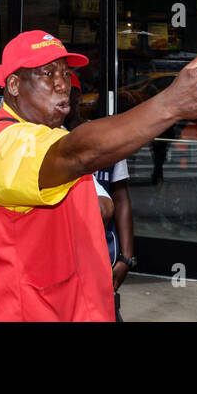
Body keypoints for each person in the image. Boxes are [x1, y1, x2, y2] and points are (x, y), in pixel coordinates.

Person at [0, 31, 197, 322]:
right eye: (47, 73)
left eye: (66, 74)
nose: (61, 84)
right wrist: (169, 105)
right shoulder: (8, 143)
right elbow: (78, 153)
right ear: (14, 84)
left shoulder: (45, 135)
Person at [66, 73, 134, 319]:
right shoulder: (46, 139)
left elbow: (121, 196)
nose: (63, 96)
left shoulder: (105, 138)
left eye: (68, 90)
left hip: (102, 251)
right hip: (64, 256)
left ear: (78, 96)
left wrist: (127, 256)